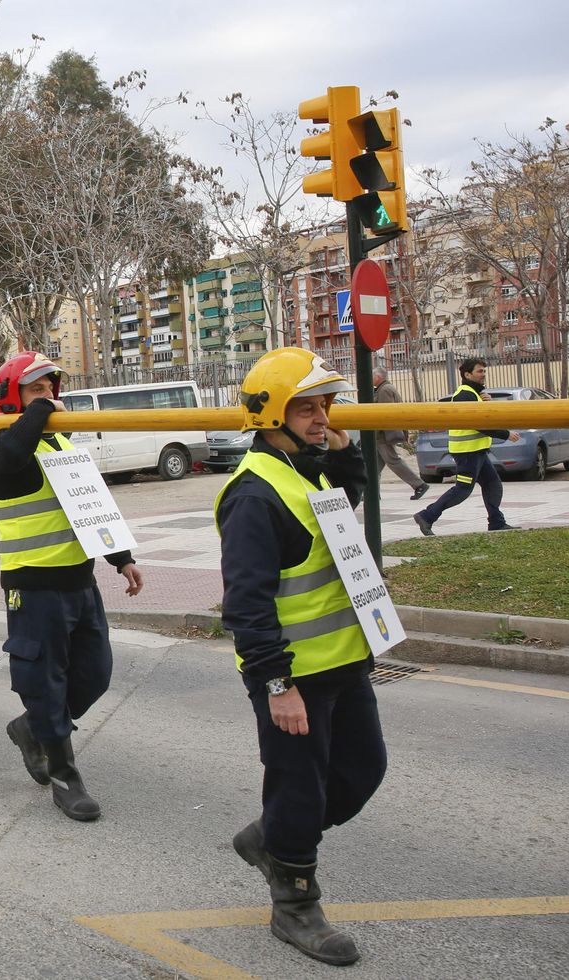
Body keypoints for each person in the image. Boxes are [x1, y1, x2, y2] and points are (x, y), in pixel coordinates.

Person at [215, 347, 384, 967]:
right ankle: (295, 904)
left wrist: (342, 451)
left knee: (362, 772)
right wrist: (275, 684)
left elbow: (344, 503)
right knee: (300, 789)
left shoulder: (308, 470)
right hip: (293, 677)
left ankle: (273, 836)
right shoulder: (253, 496)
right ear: (271, 415)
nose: (322, 417)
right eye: (307, 407)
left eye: (326, 405)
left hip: (343, 663)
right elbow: (246, 604)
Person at [0, 351, 144, 822]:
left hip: (79, 582)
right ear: (14, 398)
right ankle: (64, 775)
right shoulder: (2, 447)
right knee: (45, 683)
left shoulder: (62, 446)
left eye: (52, 389)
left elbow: (90, 506)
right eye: (37, 390)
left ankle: (32, 728)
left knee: (96, 673)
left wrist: (121, 558)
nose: (50, 399)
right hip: (33, 586)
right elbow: (13, 453)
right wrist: (37, 411)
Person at [414, 357, 520, 536]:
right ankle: (426, 516)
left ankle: (496, 522)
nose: (483, 374)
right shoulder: (465, 394)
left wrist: (487, 404)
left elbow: (484, 418)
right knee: (462, 490)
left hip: (476, 451)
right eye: (479, 371)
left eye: (484, 371)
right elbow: (480, 424)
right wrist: (505, 434)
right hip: (467, 453)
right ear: (467, 374)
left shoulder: (475, 394)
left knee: (493, 485)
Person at [370, 368, 427, 500]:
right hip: (380, 435)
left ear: (378, 377)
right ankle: (370, 492)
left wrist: (380, 432)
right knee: (373, 467)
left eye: (372, 376)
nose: (370, 379)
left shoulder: (384, 390)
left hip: (382, 435)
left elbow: (386, 414)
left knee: (393, 461)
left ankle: (419, 485)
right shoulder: (383, 389)